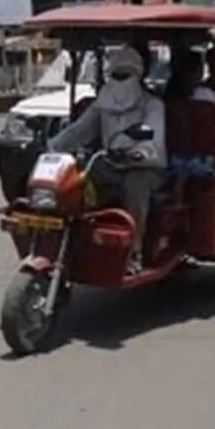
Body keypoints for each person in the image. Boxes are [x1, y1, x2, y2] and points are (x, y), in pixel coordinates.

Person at [48, 45, 166, 271]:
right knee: (78, 182)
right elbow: (79, 130)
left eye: (126, 75)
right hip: (109, 163)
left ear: (138, 76)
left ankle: (134, 253)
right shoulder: (103, 103)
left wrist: (139, 151)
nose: (120, 80)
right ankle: (76, 243)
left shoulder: (152, 104)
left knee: (135, 186)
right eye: (117, 75)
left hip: (146, 167)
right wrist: (53, 146)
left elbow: (154, 137)